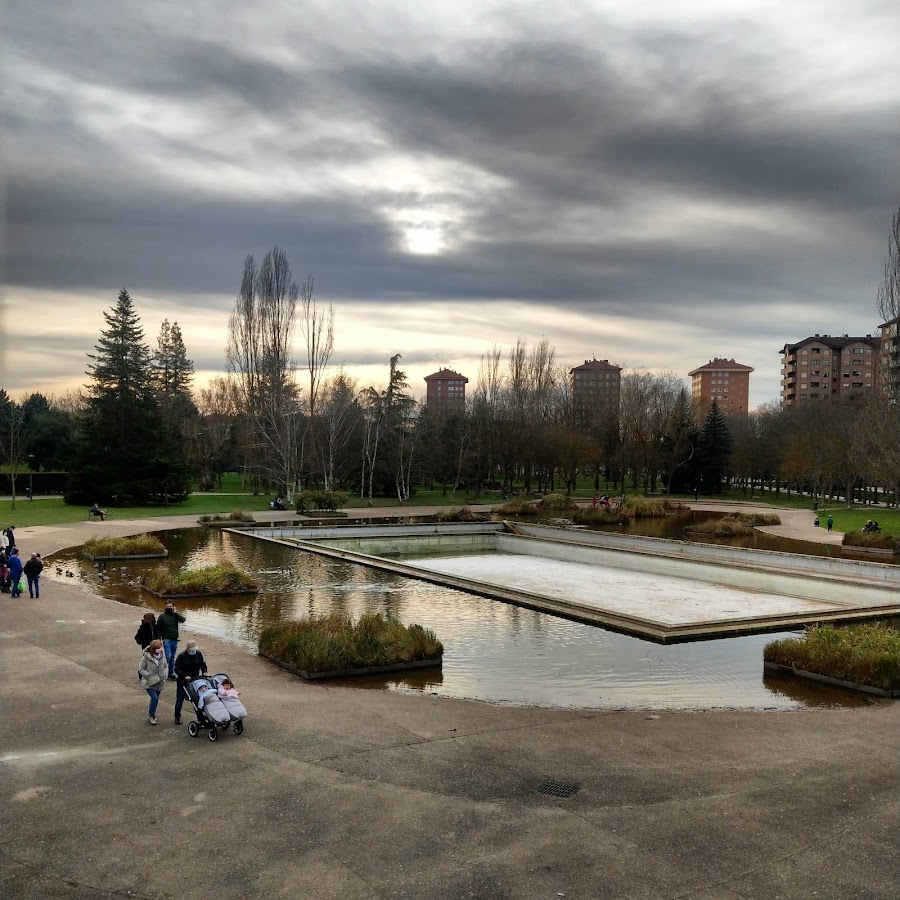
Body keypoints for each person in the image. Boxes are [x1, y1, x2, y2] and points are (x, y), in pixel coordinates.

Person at [173, 640, 207, 725]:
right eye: (192, 650)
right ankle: (177, 716)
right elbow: (176, 668)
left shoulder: (198, 654)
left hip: (195, 680)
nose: (193, 651)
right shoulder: (181, 656)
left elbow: (203, 664)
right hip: (183, 681)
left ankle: (200, 718)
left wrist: (204, 671)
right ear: (187, 649)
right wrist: (184, 675)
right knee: (179, 700)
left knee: (196, 699)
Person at [138, 639, 167, 725]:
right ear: (153, 649)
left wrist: (165, 674)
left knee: (156, 699)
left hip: (160, 681)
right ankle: (151, 716)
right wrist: (148, 675)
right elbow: (140, 669)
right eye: (157, 648)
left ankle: (153, 714)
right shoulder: (146, 657)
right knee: (154, 698)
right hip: (150, 682)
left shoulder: (162, 656)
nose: (159, 650)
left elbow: (165, 666)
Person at [157, 601, 186, 680]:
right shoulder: (162, 617)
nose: (169, 608)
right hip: (166, 639)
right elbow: (158, 628)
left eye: (171, 606)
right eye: (168, 606)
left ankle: (170, 674)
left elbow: (183, 620)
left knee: (172, 657)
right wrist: (159, 639)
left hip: (174, 639)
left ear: (173, 607)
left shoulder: (175, 616)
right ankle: (161, 672)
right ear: (165, 607)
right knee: (168, 657)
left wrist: (176, 613)